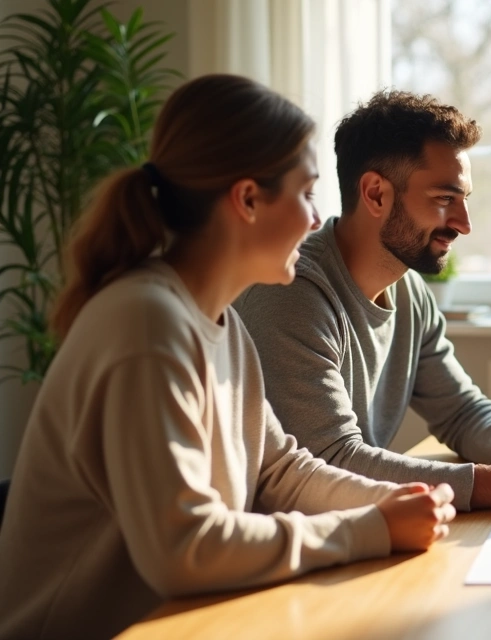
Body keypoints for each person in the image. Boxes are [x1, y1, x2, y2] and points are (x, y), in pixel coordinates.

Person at [0, 75, 459, 640]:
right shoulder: (145, 324)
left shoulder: (224, 323)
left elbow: (281, 471)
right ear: (246, 200)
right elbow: (183, 549)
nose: (317, 219)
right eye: (306, 192)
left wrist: (398, 502)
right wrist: (371, 528)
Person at [232, 91, 491, 513]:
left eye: (464, 200)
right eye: (445, 200)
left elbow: (460, 411)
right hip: (295, 544)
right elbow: (329, 461)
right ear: (375, 194)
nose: (464, 225)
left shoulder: (409, 290)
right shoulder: (292, 296)